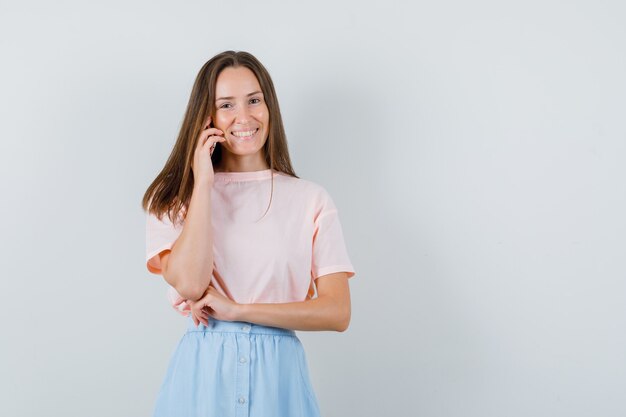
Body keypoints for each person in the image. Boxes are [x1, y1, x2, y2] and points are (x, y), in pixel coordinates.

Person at [141, 50, 356, 417]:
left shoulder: (310, 200)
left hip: (279, 382)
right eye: (226, 105)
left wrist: (239, 310)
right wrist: (204, 184)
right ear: (206, 117)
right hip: (202, 382)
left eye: (254, 100)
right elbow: (192, 284)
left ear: (269, 106)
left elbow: (337, 312)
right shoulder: (176, 200)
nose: (244, 116)